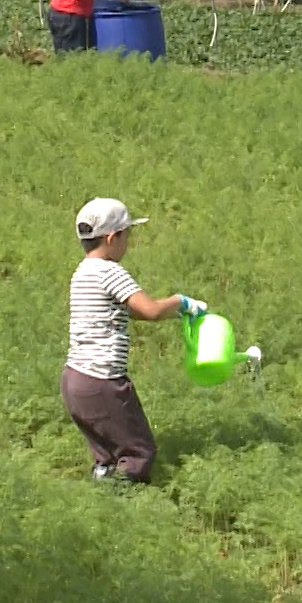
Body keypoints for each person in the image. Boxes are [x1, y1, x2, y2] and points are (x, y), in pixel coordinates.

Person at [61, 197, 207, 483]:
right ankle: (121, 504)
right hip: (102, 381)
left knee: (108, 456)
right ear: (112, 237)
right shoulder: (111, 271)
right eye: (127, 235)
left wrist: (174, 314)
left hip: (75, 380)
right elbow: (149, 310)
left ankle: (100, 499)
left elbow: (132, 312)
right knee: (139, 453)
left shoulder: (82, 273)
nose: (129, 242)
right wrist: (182, 302)